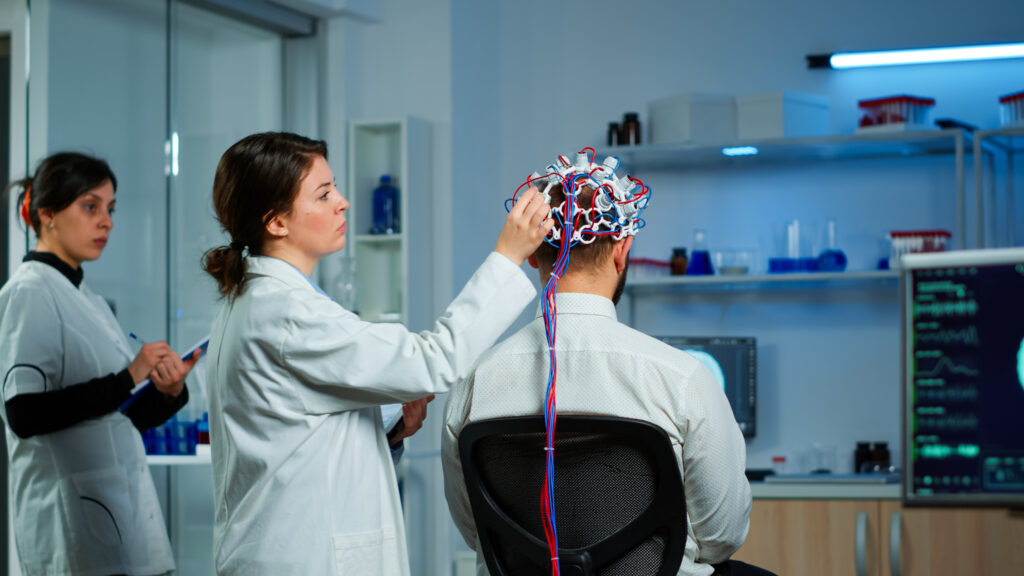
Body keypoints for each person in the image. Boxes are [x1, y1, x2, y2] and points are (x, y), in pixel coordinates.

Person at [202, 131, 553, 576]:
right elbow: (434, 360)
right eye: (324, 193)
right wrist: (508, 255)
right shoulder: (286, 312)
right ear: (276, 222)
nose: (343, 202)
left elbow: (297, 432)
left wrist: (389, 429)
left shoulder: (260, 301)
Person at [443, 151, 767, 576]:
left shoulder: (474, 382)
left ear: (536, 255)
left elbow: (477, 532)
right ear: (622, 250)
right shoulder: (681, 378)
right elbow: (721, 536)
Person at [0, 152, 199, 576]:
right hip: (70, 524)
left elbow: (119, 416)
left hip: (119, 513)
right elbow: (23, 414)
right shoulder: (30, 292)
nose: (106, 221)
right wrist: (129, 375)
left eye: (110, 209)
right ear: (47, 214)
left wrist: (167, 391)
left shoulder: (86, 298)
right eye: (91, 207)